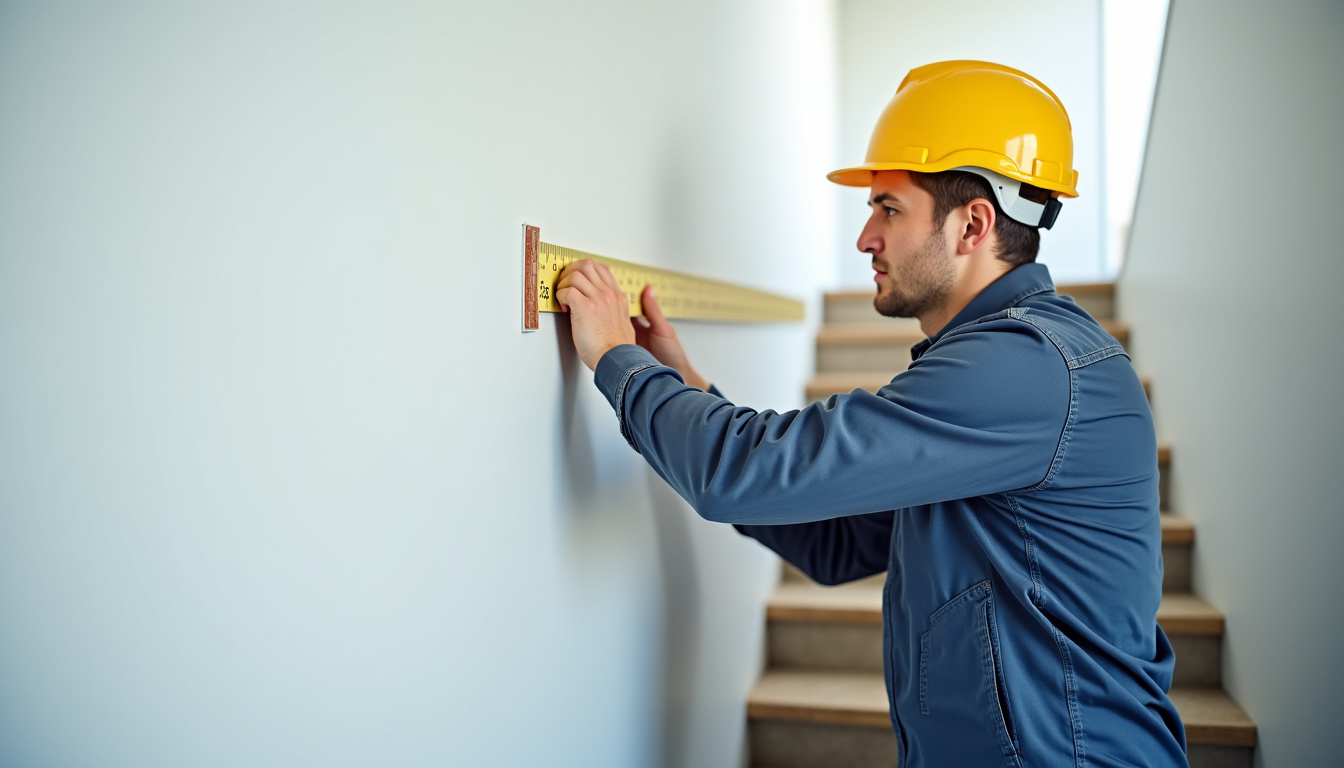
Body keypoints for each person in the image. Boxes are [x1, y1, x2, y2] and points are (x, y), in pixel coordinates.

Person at [555, 60, 1185, 767]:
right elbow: (837, 539)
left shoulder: (1027, 369)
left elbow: (745, 473)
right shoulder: (997, 368)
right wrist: (686, 385)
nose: (865, 239)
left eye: (889, 208)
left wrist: (617, 357)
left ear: (973, 225)